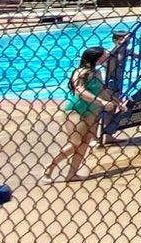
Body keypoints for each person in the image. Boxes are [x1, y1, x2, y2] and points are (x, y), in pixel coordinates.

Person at [44, 47, 124, 182]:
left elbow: (103, 89)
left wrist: (117, 102)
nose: (106, 59)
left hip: (92, 109)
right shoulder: (81, 72)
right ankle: (51, 166)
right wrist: (101, 102)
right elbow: (79, 91)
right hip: (76, 109)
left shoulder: (97, 72)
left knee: (86, 142)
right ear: (96, 58)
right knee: (75, 142)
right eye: (103, 58)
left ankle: (72, 173)